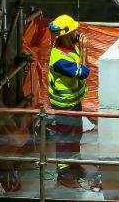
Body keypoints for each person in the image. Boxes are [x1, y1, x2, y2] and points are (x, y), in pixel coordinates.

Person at [46, 14, 97, 190]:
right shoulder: (60, 59)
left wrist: (81, 50)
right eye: (74, 30)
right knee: (65, 138)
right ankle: (63, 173)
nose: (78, 33)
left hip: (74, 102)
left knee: (76, 134)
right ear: (66, 35)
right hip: (64, 105)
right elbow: (83, 72)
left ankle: (74, 165)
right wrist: (84, 50)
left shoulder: (69, 47)